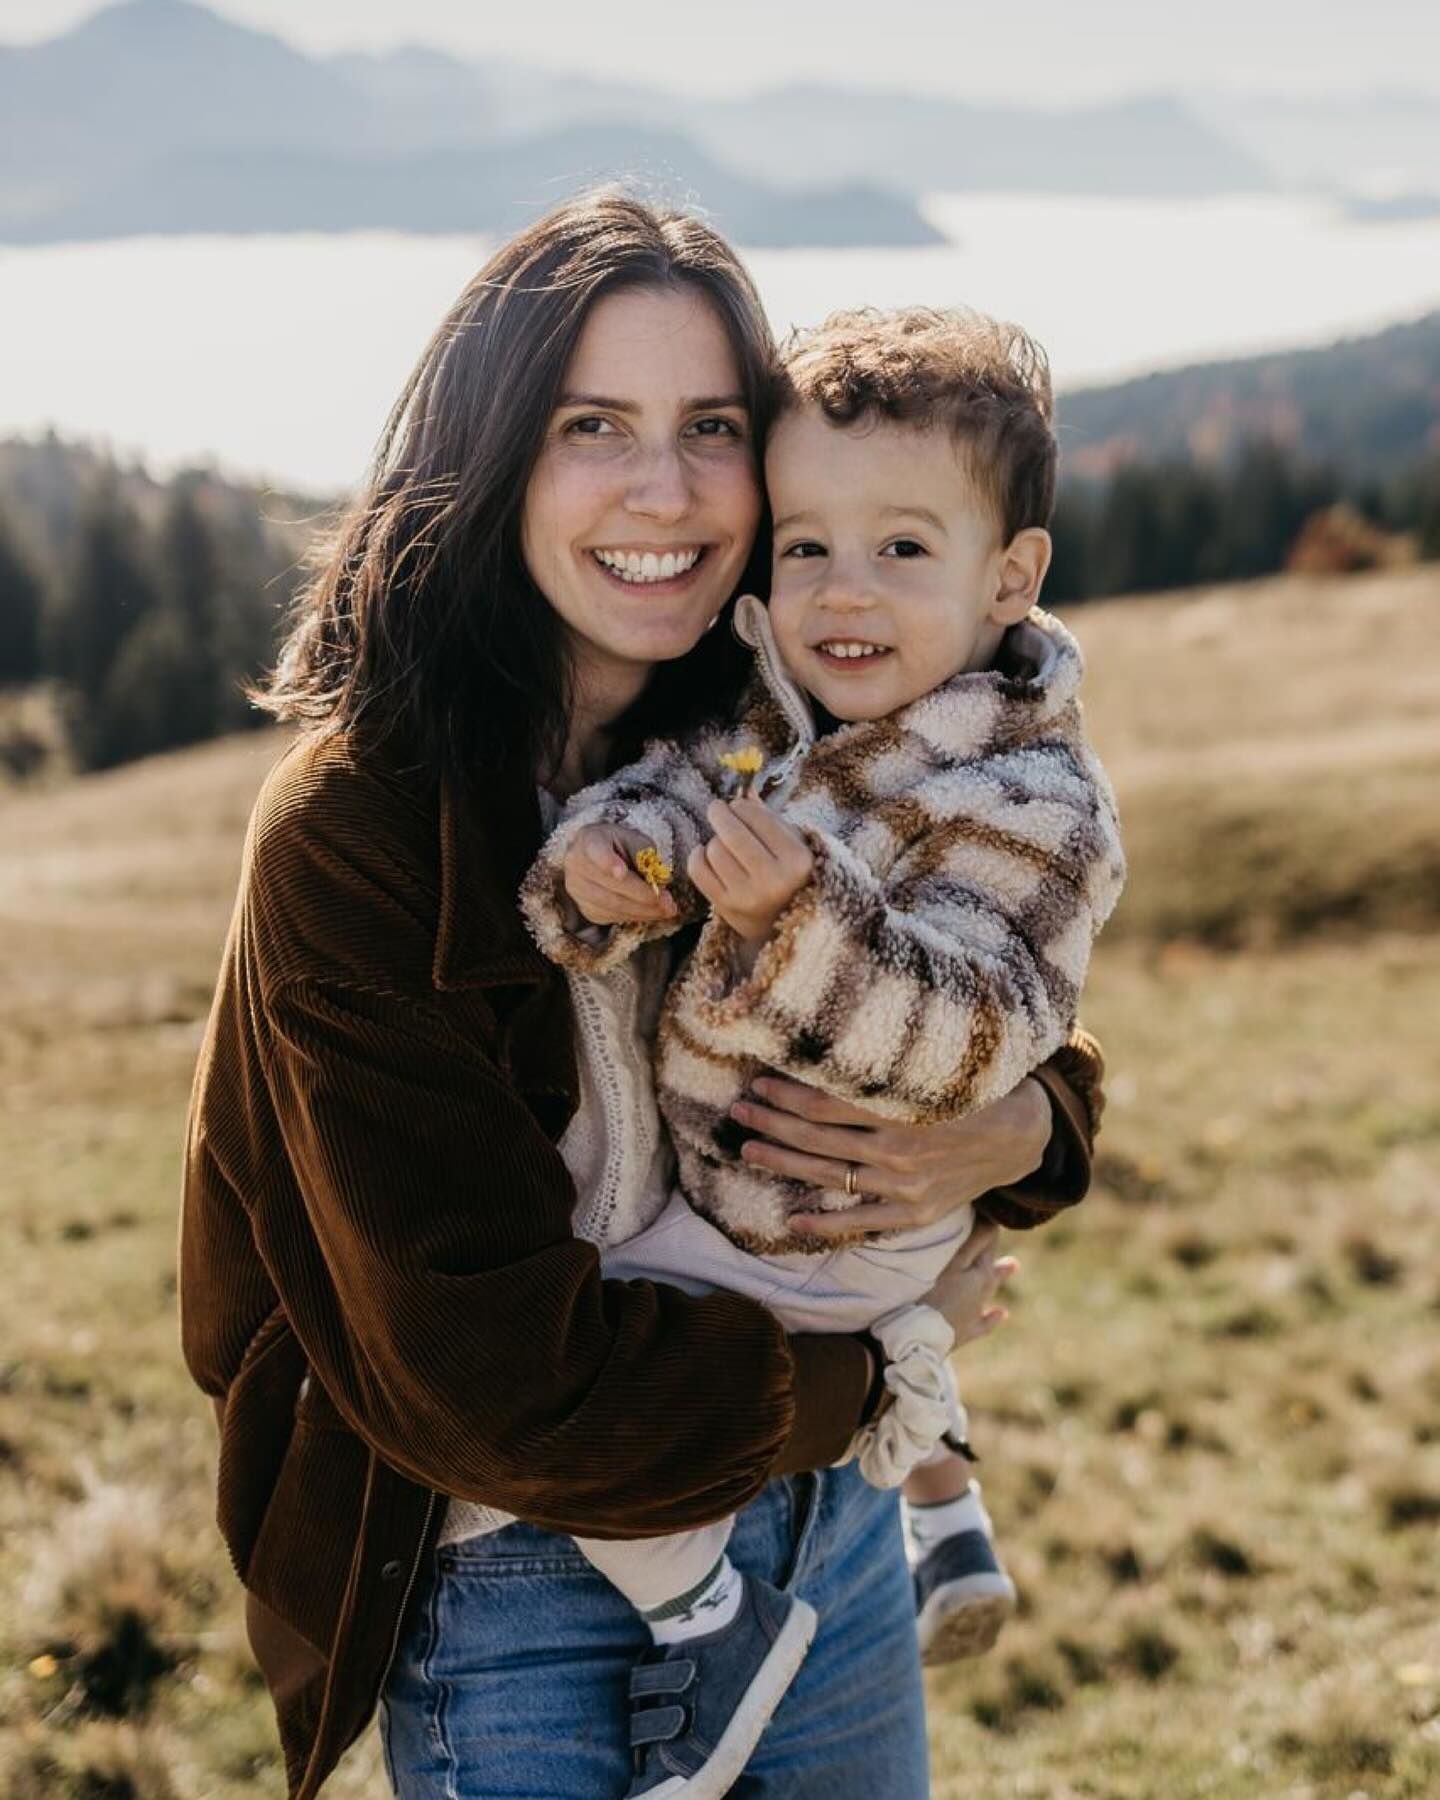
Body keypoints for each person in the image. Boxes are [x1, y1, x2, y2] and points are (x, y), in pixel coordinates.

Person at [178, 192, 1108, 1800]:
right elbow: (494, 1385)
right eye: (591, 425)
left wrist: (1032, 1124)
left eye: (713, 428)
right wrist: (880, 1376)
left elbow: (996, 971)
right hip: (522, 1581)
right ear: (492, 456)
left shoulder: (784, 708)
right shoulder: (362, 826)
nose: (663, 489)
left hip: (829, 1540)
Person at [519, 304, 1125, 1795]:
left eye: (903, 551)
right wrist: (608, 863)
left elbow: (964, 1034)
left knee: (607, 1384)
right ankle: (929, 1440)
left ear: (1010, 576)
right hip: (759, 1196)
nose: (841, 593)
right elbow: (685, 797)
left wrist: (797, 917)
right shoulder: (774, 708)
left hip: (823, 1215)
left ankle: (706, 1619)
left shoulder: (1033, 801)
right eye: (805, 547)